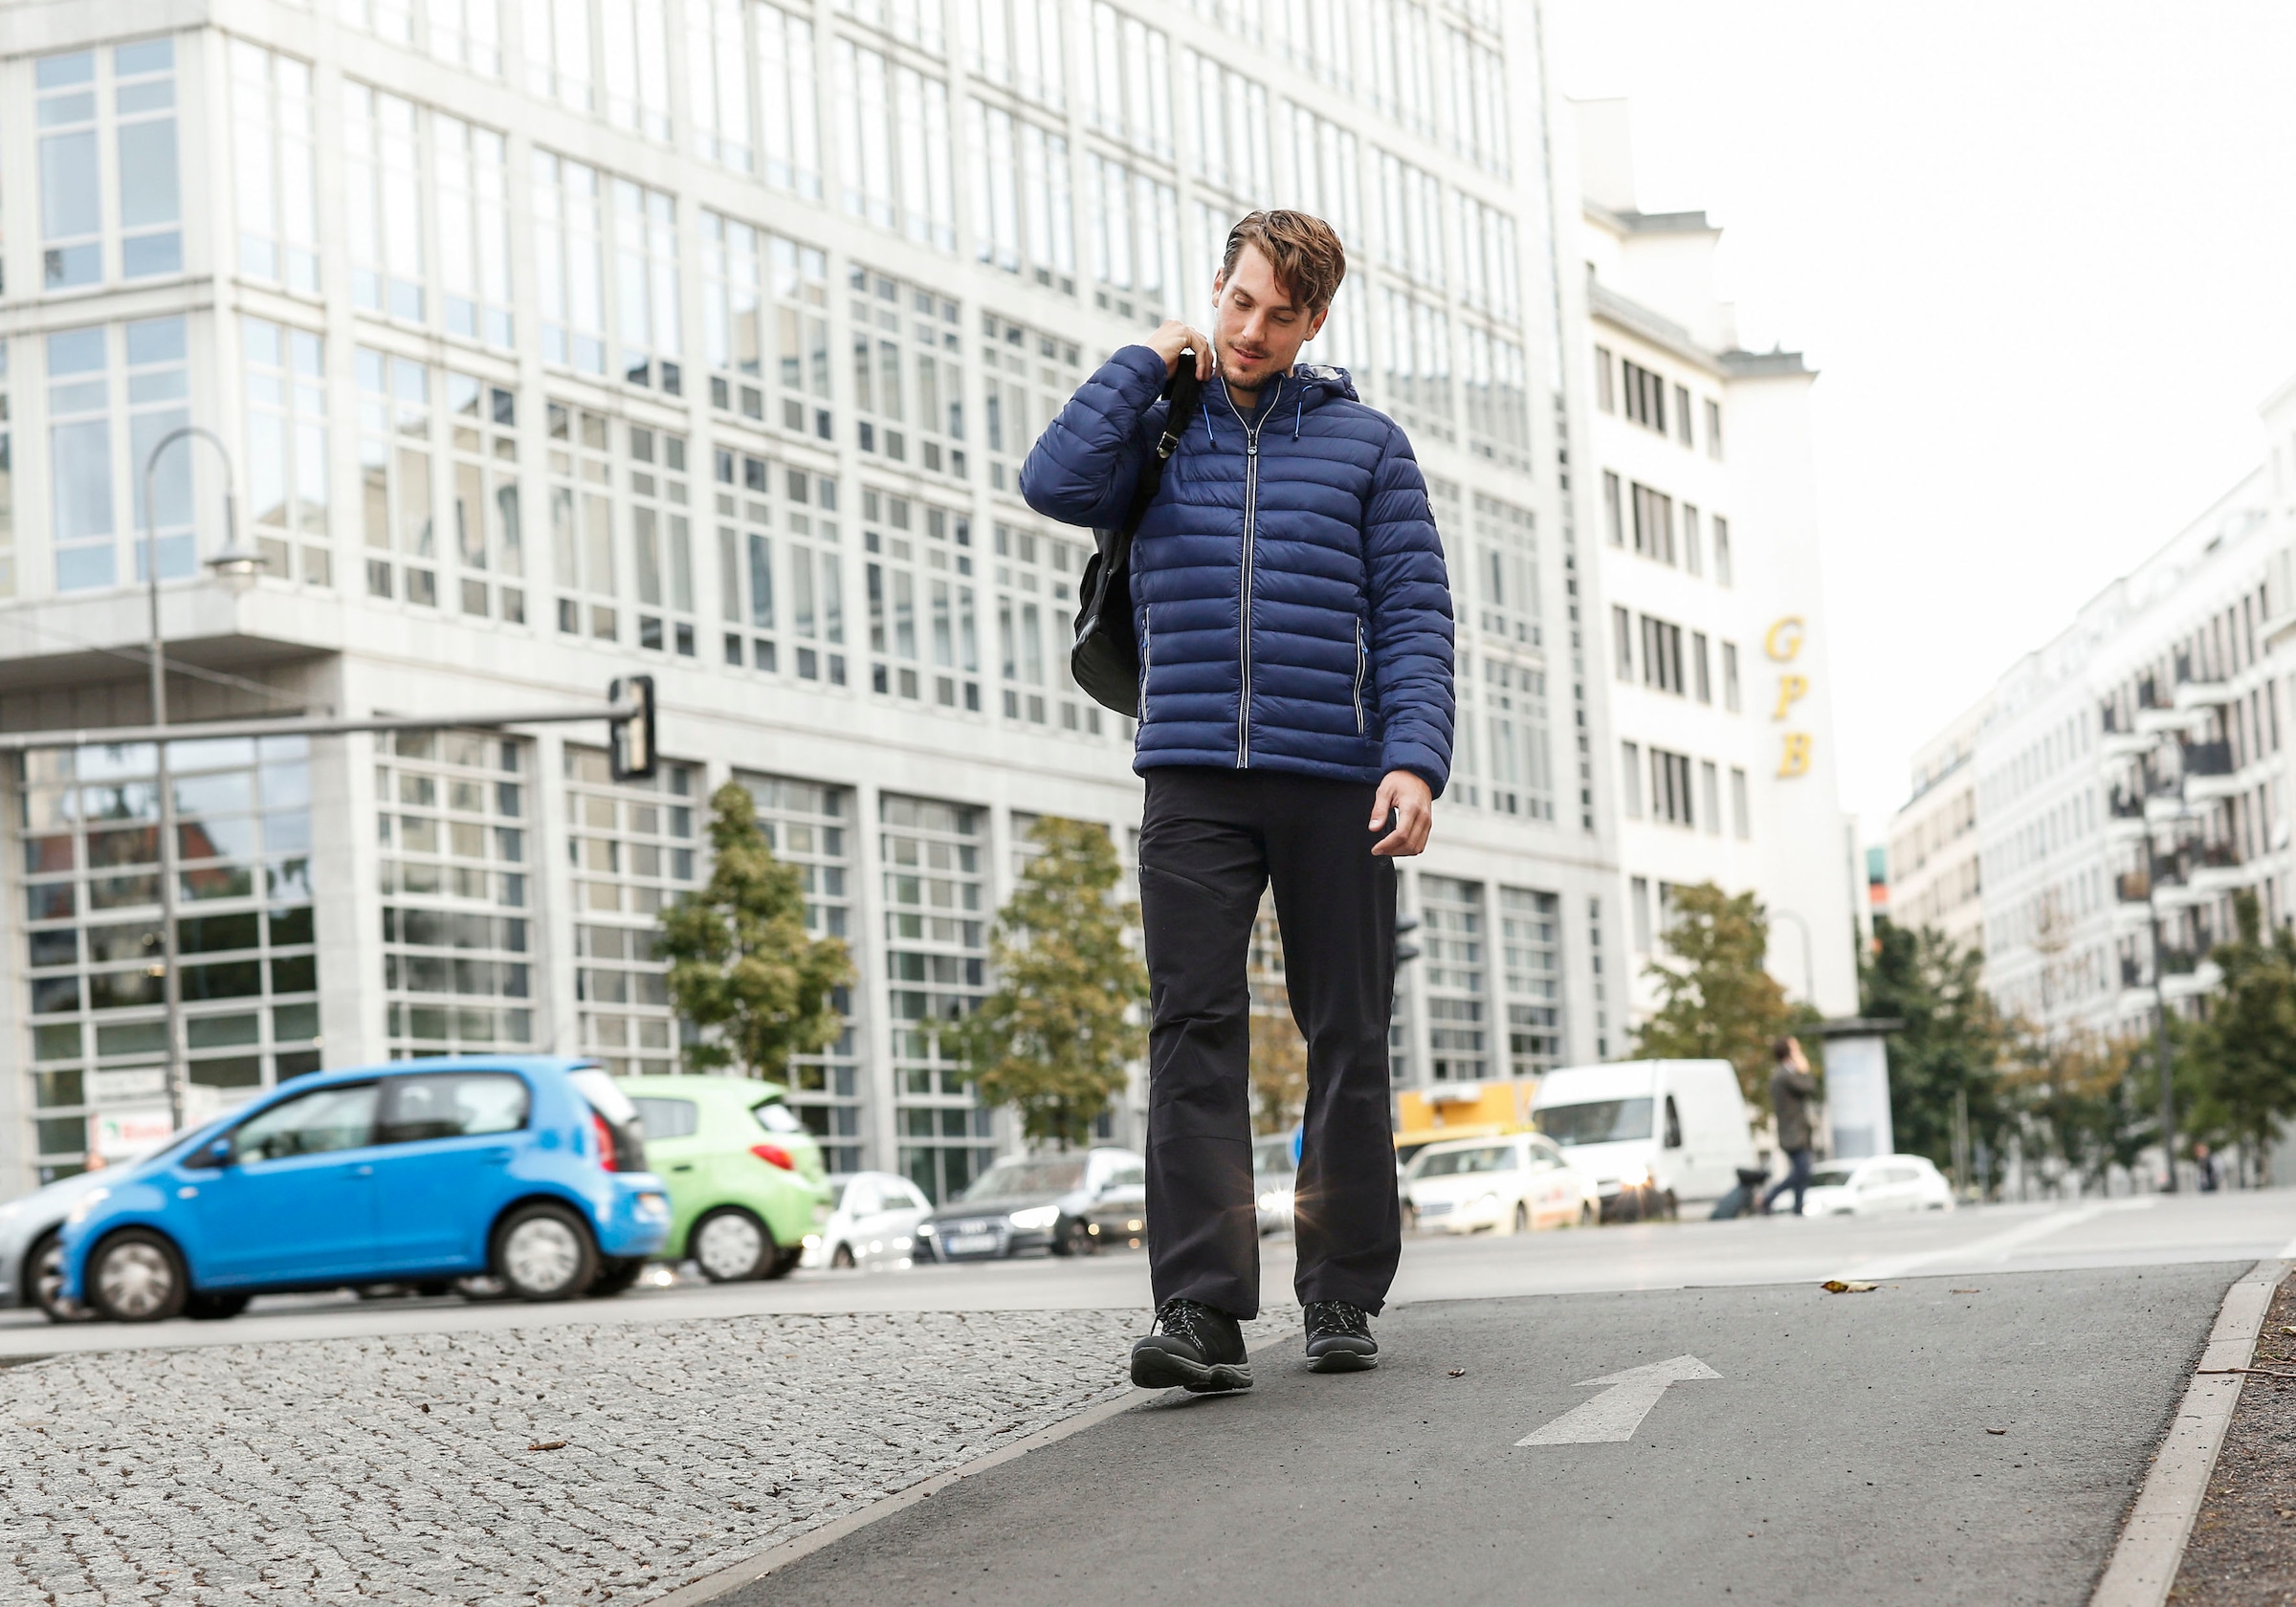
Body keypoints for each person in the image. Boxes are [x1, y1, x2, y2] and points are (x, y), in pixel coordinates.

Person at [1021, 210, 1454, 1392]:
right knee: (1193, 1031)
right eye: (1237, 303)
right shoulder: (1157, 429)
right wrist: (1146, 360)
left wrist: (1414, 760)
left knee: (1347, 1034)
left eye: (1278, 314)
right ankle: (1202, 1311)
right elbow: (1052, 483)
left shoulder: (1368, 447)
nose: (1251, 331)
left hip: (1337, 780)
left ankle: (1340, 1295)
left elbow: (1415, 616)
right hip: (1194, 774)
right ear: (1217, 289)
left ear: (1317, 321)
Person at [1760, 1037, 1819, 1216]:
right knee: (1803, 1170)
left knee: (1802, 1171)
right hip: (1793, 1133)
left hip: (1794, 1131)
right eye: (1796, 1048)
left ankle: (1798, 1207)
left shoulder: (1783, 1073)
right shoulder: (1785, 1075)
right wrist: (1805, 1069)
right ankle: (1768, 1198)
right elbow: (1809, 1087)